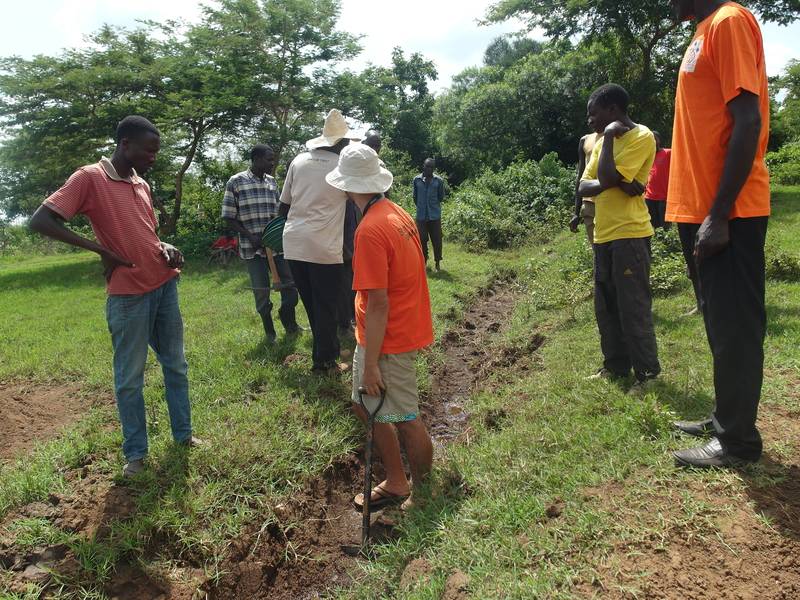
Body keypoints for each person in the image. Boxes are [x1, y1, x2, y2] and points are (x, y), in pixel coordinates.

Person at [29, 116, 202, 477]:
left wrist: (167, 246)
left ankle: (184, 436)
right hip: (128, 295)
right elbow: (42, 220)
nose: (154, 156)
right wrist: (100, 251)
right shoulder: (90, 177)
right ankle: (136, 456)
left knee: (176, 366)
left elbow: (147, 233)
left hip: (164, 285)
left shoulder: (141, 183)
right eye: (149, 150)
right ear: (125, 144)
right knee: (130, 378)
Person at [668, 0, 771, 468]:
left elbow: (747, 118)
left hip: (728, 211)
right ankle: (726, 418)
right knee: (718, 321)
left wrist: (720, 213)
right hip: (703, 210)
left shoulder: (728, 22)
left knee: (735, 327)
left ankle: (738, 443)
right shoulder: (703, 29)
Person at [325, 143, 434, 511]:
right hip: (379, 334)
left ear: (345, 185)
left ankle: (424, 495)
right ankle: (397, 480)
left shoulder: (370, 229)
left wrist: (371, 363)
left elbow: (379, 303)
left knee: (405, 416)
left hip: (389, 337)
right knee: (363, 405)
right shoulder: (394, 212)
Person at [578, 84, 661, 390]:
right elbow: (584, 186)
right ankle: (615, 367)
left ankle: (647, 373)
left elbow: (607, 178)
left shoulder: (642, 137)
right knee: (607, 307)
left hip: (630, 234)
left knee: (633, 306)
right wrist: (613, 181)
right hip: (603, 235)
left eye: (594, 113)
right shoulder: (598, 143)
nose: (590, 121)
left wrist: (611, 139)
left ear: (612, 110)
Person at [279, 109, 359, 374]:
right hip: (323, 247)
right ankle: (324, 364)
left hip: (293, 243)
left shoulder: (298, 161)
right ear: (341, 142)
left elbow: (283, 208)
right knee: (326, 304)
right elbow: (360, 201)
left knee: (313, 303)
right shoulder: (342, 167)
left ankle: (328, 350)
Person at [221, 144, 299, 343]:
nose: (272, 164)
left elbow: (279, 213)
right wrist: (249, 236)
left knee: (291, 287)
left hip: (276, 247)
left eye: (273, 160)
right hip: (252, 249)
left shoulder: (272, 183)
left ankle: (289, 321)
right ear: (255, 159)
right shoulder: (236, 182)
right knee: (262, 292)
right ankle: (270, 333)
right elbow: (229, 217)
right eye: (269, 159)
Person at [570, 128, 604, 244]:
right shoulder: (585, 140)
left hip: (610, 200)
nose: (590, 119)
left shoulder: (618, 136)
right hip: (589, 203)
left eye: (594, 114)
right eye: (589, 115)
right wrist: (576, 212)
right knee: (596, 248)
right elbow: (581, 176)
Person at [413, 158, 446, 271]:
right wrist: (421, 207)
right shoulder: (416, 180)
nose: (429, 169)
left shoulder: (439, 181)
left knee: (436, 239)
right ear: (424, 166)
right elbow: (415, 197)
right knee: (421, 239)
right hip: (421, 216)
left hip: (434, 215)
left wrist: (432, 206)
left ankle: (437, 262)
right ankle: (424, 261)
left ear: (434, 168)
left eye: (431, 167)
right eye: (427, 166)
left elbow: (441, 197)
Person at [644, 132, 672, 230]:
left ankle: (667, 245)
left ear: (658, 140)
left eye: (654, 139)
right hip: (649, 197)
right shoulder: (647, 156)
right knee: (652, 227)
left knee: (665, 228)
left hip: (664, 197)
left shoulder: (668, 153)